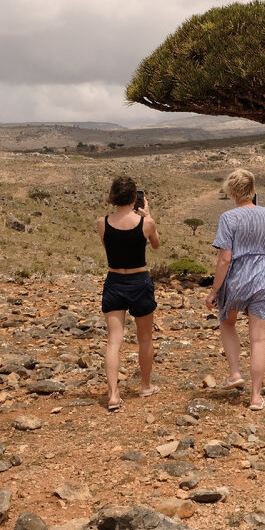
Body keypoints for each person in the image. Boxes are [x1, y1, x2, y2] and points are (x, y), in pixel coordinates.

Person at [205, 169, 265, 410]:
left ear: (232, 191)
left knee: (228, 323)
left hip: (236, 280)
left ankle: (235, 372)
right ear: (253, 189)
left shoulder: (228, 218)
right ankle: (256, 397)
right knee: (258, 338)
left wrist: (214, 290)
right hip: (261, 279)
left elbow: (224, 259)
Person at [96, 176, 161, 410]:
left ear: (113, 197)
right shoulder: (146, 224)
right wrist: (148, 216)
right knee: (145, 338)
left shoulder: (102, 222)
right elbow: (155, 245)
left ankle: (113, 394)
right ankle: (145, 386)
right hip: (139, 281)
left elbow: (107, 246)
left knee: (114, 341)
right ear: (136, 198)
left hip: (114, 281)